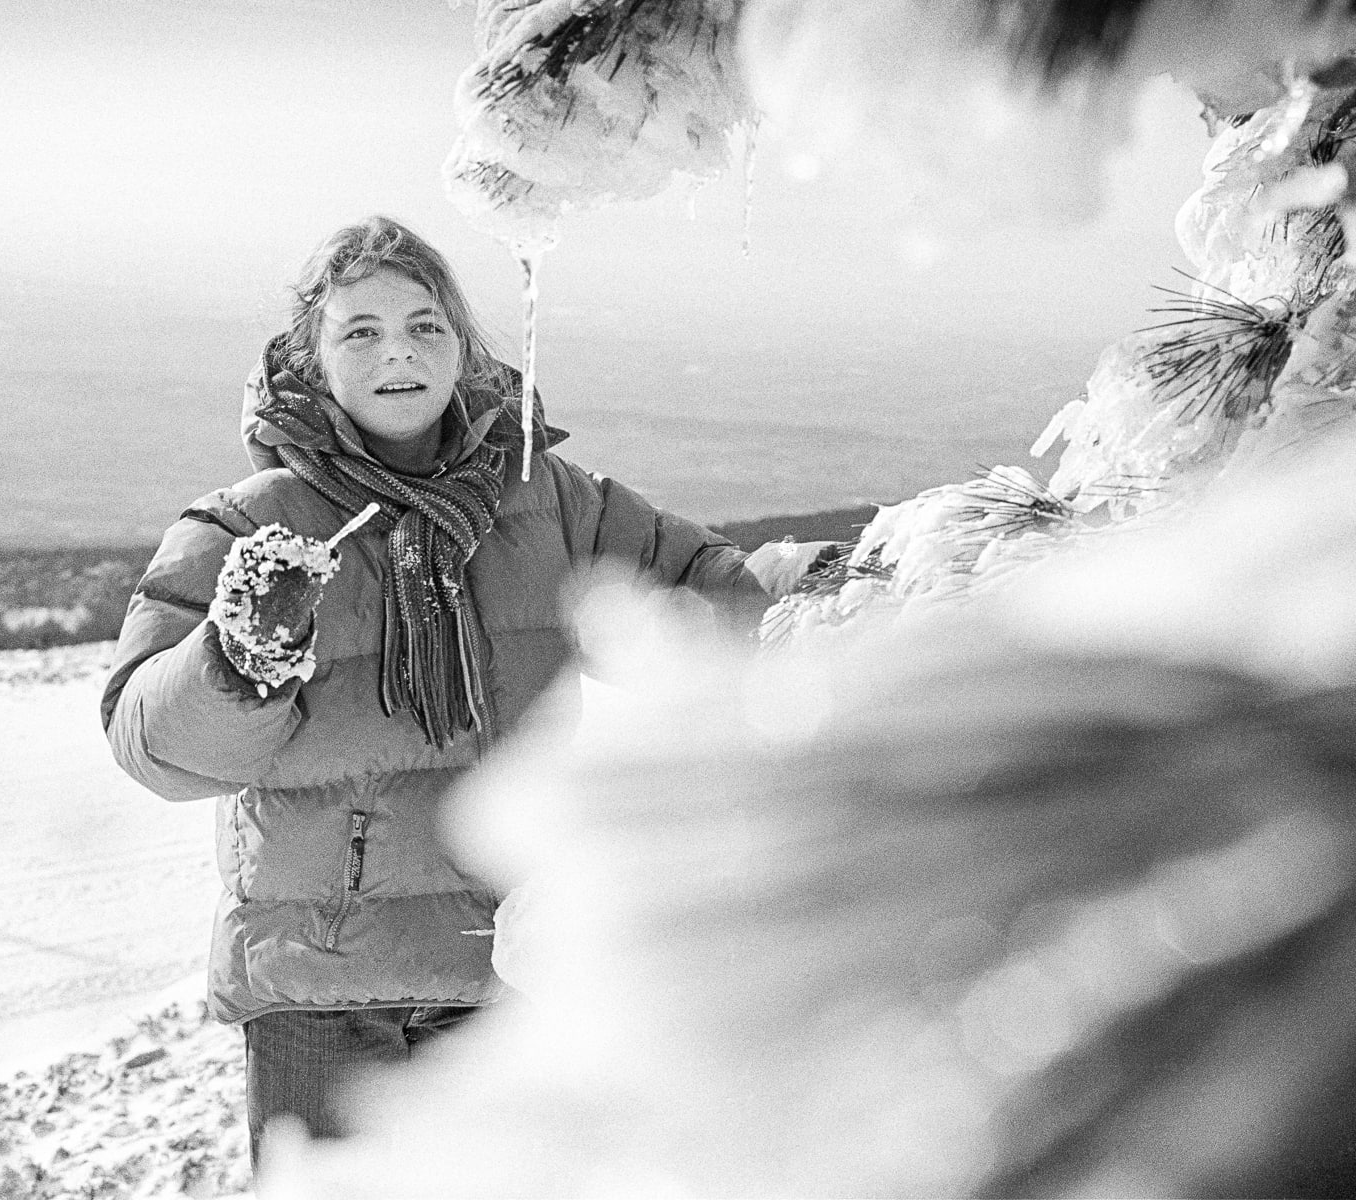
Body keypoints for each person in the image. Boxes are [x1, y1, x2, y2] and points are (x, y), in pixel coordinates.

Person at [99, 215, 831, 1165]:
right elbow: (147, 744)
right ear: (310, 358)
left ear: (461, 346)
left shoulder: (552, 501)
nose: (397, 351)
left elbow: (705, 592)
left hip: (507, 970)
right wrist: (237, 661)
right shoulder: (248, 526)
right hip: (319, 994)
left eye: (425, 325)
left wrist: (844, 582)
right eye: (360, 330)